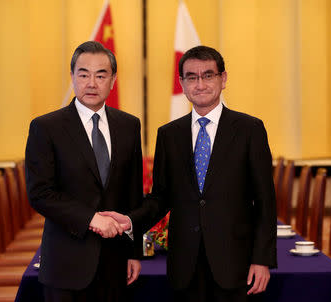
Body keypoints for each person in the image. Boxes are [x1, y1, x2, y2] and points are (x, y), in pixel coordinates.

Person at [104, 45, 277, 302]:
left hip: (235, 262)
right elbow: (161, 197)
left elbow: (265, 201)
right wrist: (131, 221)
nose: (200, 84)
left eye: (208, 75)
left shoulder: (250, 129)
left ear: (223, 79)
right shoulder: (168, 135)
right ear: (182, 83)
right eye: (192, 77)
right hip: (185, 264)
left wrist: (262, 260)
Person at [25, 41, 143, 302]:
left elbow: (132, 194)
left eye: (101, 75)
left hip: (115, 263)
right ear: (72, 77)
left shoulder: (129, 126)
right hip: (66, 263)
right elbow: (40, 193)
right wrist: (91, 218)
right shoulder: (46, 128)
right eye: (83, 74)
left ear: (113, 80)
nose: (92, 83)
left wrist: (133, 251)